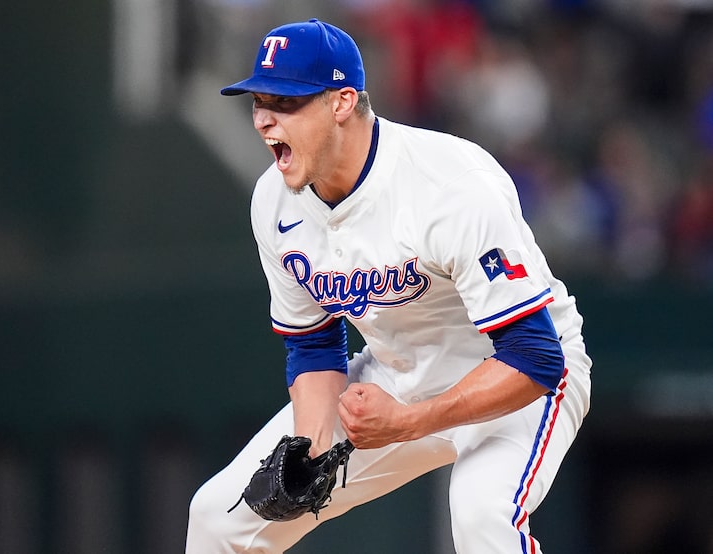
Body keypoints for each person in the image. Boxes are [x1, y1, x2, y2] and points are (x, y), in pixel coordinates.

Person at [186, 18, 591, 553]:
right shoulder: (274, 202)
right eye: (259, 102)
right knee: (217, 520)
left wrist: (408, 423)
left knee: (481, 518)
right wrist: (310, 448)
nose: (263, 120)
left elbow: (535, 357)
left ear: (342, 102)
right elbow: (313, 343)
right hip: (397, 377)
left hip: (516, 379)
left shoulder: (449, 186)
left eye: (284, 103)